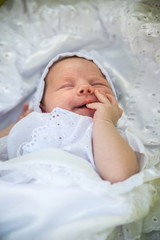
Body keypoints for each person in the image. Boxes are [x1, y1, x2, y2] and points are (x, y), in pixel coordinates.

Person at [2, 51, 147, 183]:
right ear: (42, 107)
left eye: (97, 83)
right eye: (67, 86)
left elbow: (121, 176)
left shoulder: (111, 132)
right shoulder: (36, 125)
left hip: (80, 195)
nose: (85, 88)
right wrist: (15, 127)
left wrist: (105, 121)